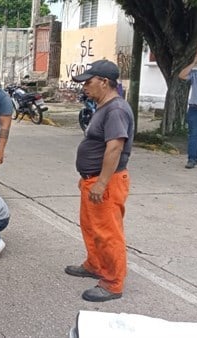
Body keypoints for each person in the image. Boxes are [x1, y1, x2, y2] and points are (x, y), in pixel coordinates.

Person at [66, 59, 134, 302]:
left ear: (104, 82)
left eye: (88, 82)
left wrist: (102, 182)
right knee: (91, 227)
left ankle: (113, 283)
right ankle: (95, 264)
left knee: (108, 233)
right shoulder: (103, 106)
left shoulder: (116, 109)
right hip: (92, 179)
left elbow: (115, 148)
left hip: (107, 182)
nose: (84, 87)